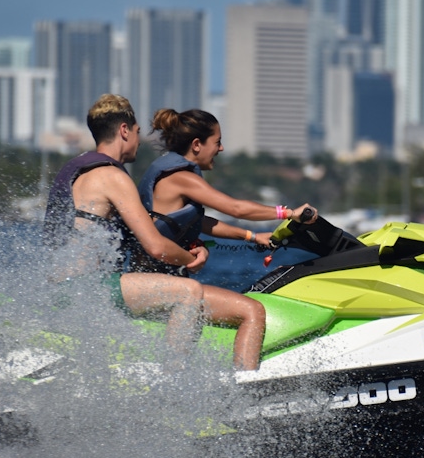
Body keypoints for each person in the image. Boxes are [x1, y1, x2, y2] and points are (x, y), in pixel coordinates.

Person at [135, 107, 318, 370]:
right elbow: (236, 209)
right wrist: (290, 213)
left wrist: (252, 236)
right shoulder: (181, 178)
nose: (221, 149)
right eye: (217, 142)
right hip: (154, 284)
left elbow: (200, 222)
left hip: (158, 279)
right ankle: (246, 392)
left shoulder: (173, 174)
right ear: (197, 145)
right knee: (252, 311)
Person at [43, 94, 210, 365]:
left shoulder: (79, 169)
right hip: (87, 287)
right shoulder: (113, 176)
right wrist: (193, 259)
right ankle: (172, 384)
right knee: (188, 292)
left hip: (61, 286)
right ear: (124, 130)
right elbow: (155, 246)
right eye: (137, 132)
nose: (138, 140)